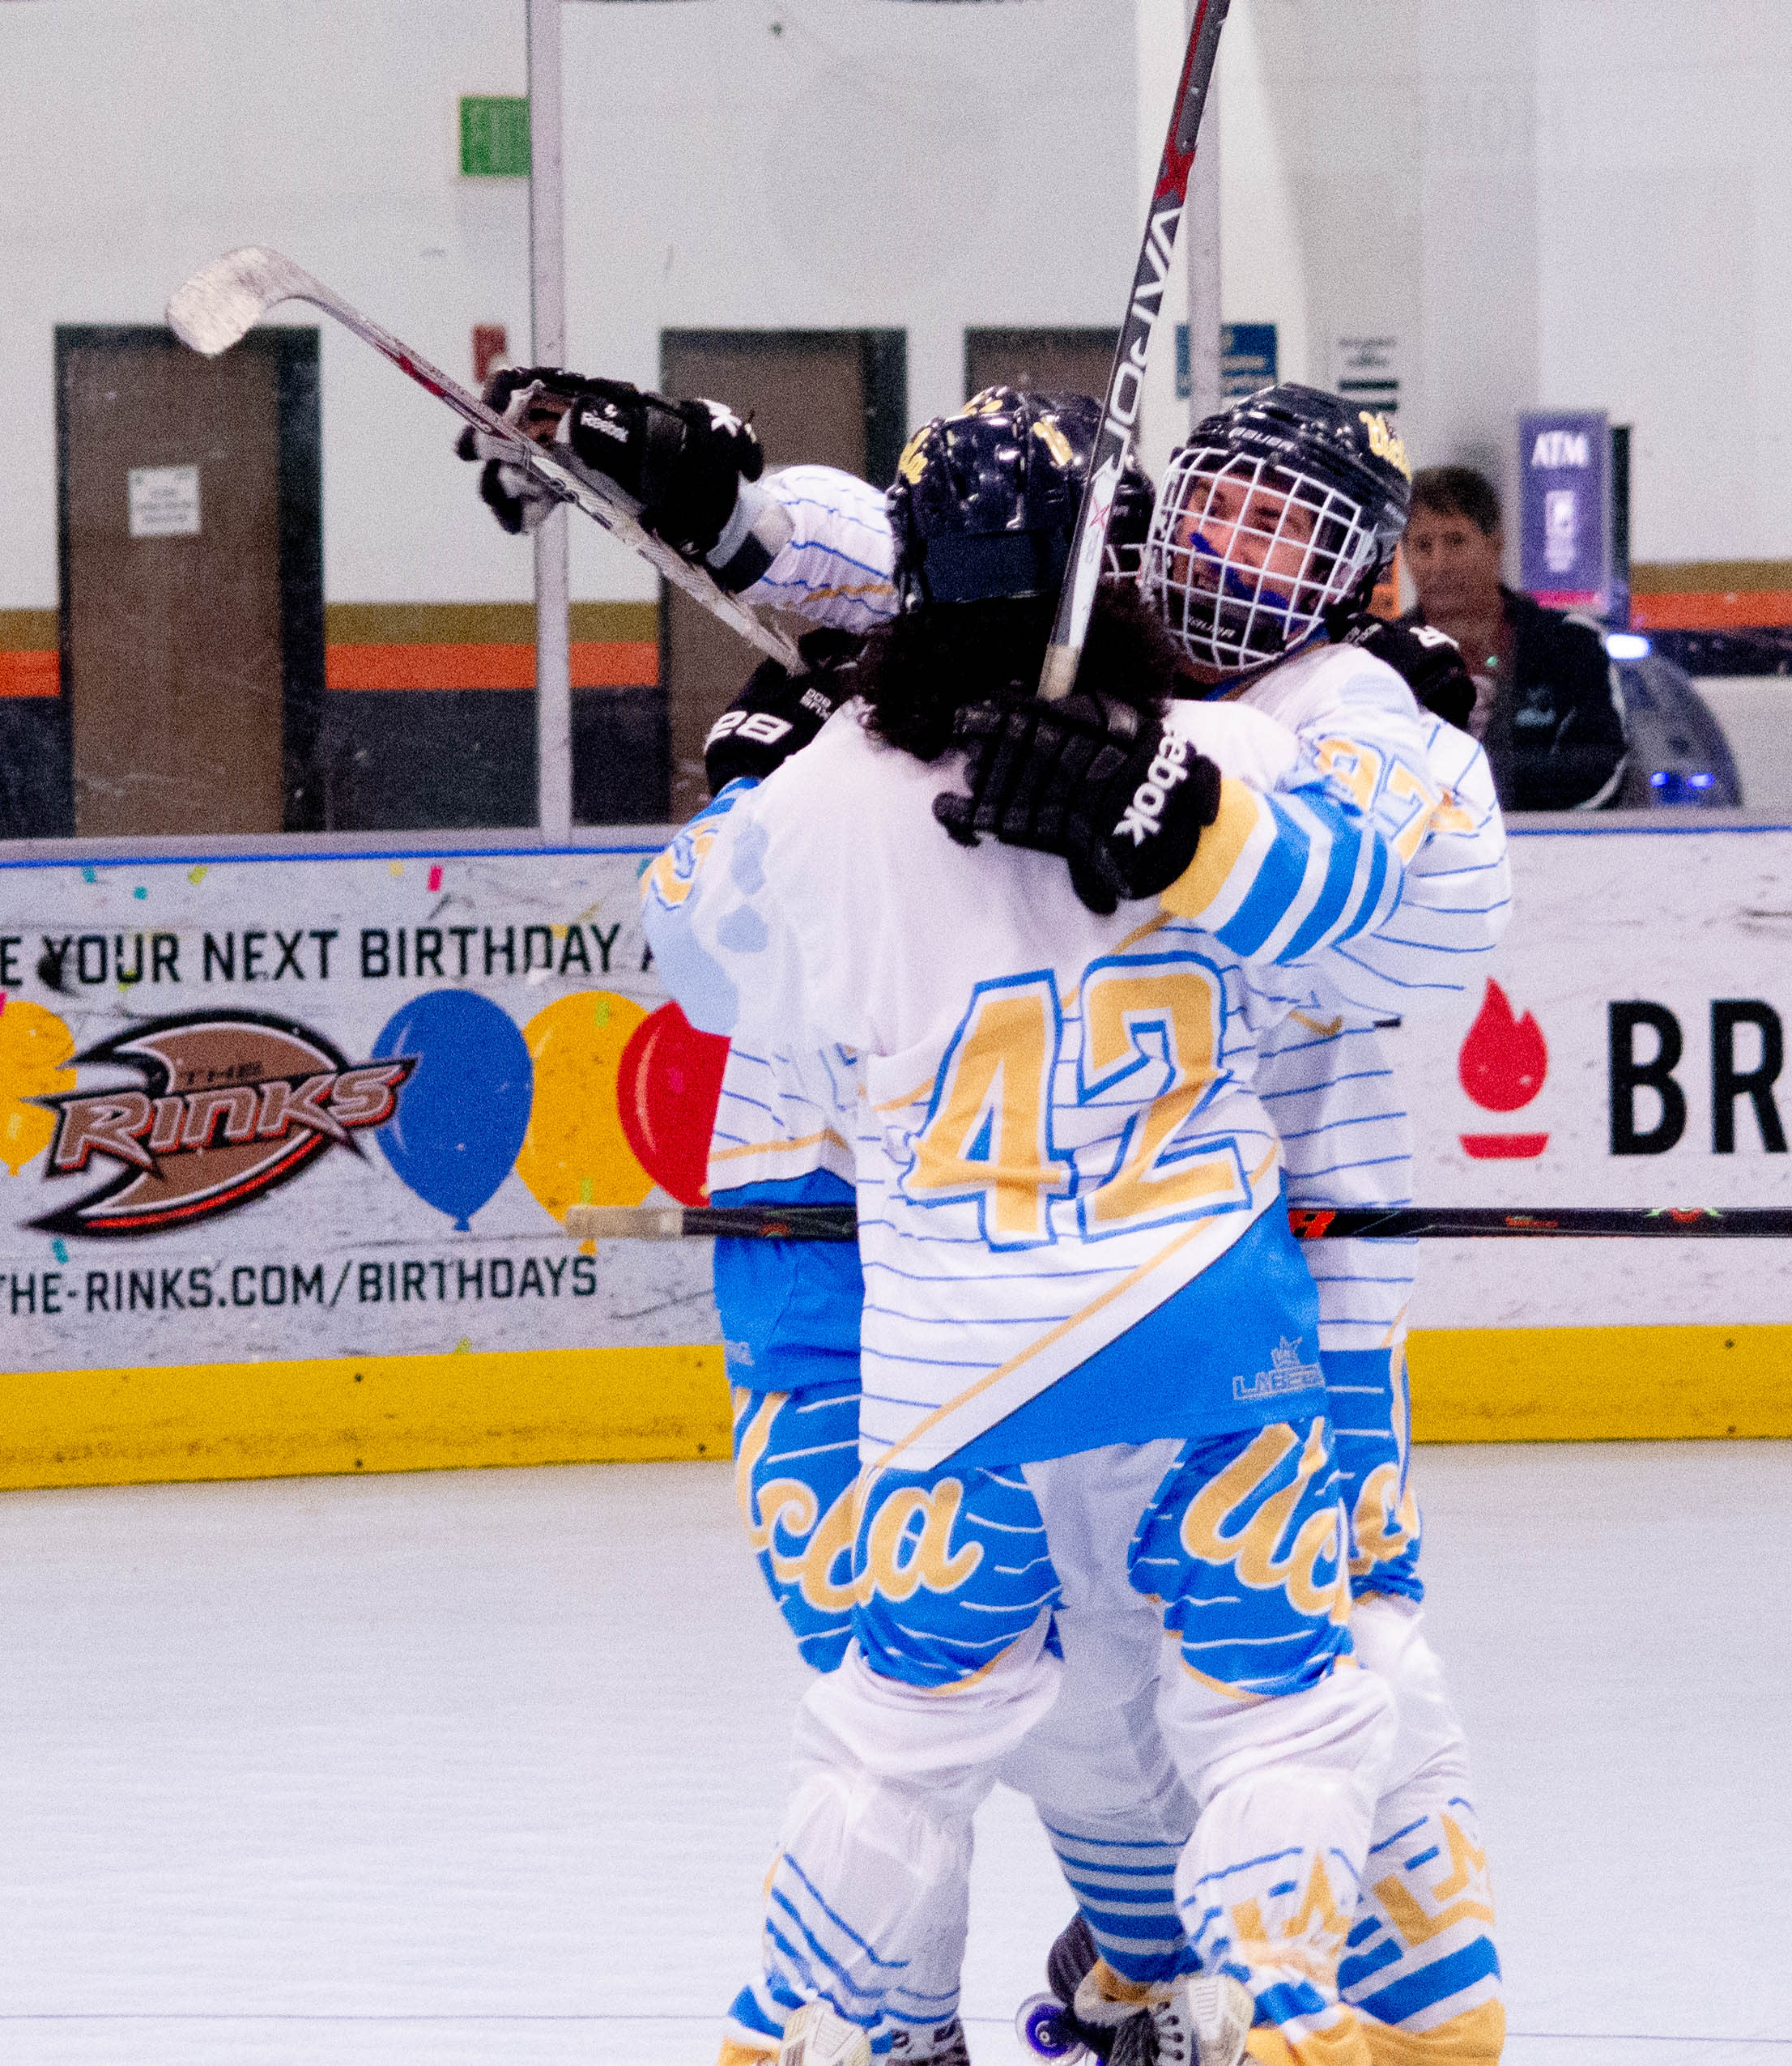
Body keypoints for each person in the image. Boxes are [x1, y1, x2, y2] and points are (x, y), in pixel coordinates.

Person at [462, 374, 1511, 2066]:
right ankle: (1221, 1991)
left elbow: (1424, 923)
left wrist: (787, 769)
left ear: (1361, 573)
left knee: (925, 1722)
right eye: (1215, 511)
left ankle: (875, 2012)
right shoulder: (1214, 733)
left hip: (991, 1342)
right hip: (1169, 1312)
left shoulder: (1310, 718)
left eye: (1288, 527)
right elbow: (868, 550)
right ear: (1144, 535)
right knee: (1244, 1705)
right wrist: (737, 519)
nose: (1240, 554)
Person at [1394, 465, 1628, 811]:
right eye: (1423, 545)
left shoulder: (1573, 645)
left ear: (1495, 544)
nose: (1438, 564)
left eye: (1456, 541)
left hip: (1561, 853)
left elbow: (1601, 769)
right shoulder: (1384, 654)